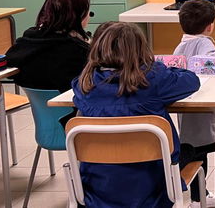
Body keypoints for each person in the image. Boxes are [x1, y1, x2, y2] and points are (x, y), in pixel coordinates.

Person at [72, 22, 201, 207]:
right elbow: (191, 80)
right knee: (189, 150)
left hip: (97, 186)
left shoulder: (84, 84)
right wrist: (157, 66)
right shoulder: (153, 79)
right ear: (141, 49)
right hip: (153, 186)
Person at [173, 0, 215, 207]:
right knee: (210, 145)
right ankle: (198, 196)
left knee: (196, 150)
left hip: (187, 112)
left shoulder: (179, 47)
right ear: (210, 26)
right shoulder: (205, 42)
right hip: (203, 110)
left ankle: (199, 195)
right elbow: (210, 64)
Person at [6, 0, 91, 93]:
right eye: (87, 11)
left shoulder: (27, 40)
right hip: (72, 106)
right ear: (77, 15)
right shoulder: (78, 50)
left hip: (40, 108)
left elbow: (9, 66)